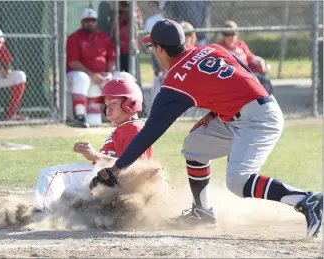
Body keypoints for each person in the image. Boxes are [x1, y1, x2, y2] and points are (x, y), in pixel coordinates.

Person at [89, 19, 323, 238]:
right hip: (245, 113)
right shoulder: (211, 49)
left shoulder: (174, 82)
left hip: (258, 121)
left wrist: (117, 169)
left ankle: (306, 199)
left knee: (238, 182)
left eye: (152, 48)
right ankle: (203, 212)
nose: (153, 52)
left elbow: (150, 132)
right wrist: (216, 112)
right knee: (195, 146)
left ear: (160, 49)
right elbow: (245, 73)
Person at [34, 77, 153, 211]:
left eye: (113, 102)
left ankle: (39, 214)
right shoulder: (129, 127)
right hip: (103, 182)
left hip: (110, 180)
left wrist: (96, 156)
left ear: (131, 103)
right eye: (106, 104)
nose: (108, 108)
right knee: (65, 197)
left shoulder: (133, 127)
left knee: (53, 174)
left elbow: (135, 167)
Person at [66, 8, 116, 128]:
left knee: (121, 78)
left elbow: (111, 60)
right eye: (87, 20)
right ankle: (80, 116)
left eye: (92, 20)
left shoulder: (104, 37)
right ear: (82, 22)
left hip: (101, 75)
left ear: (96, 21)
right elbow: (73, 63)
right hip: (76, 75)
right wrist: (92, 74)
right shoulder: (74, 38)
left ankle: (116, 116)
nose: (90, 23)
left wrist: (109, 73)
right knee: (82, 78)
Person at [216, 20, 273, 94]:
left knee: (264, 80)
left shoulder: (240, 44)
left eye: (233, 33)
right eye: (227, 34)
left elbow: (250, 56)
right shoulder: (219, 47)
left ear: (236, 34)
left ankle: (265, 100)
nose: (230, 36)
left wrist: (259, 60)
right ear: (223, 35)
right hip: (231, 77)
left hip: (247, 73)